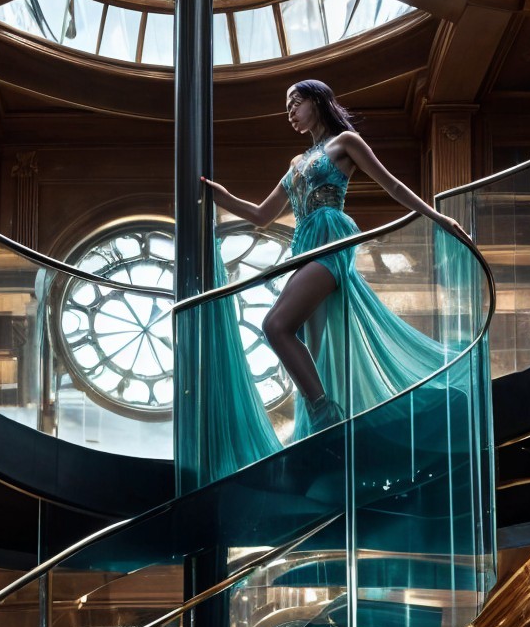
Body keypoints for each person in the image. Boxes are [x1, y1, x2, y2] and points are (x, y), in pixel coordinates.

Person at [202, 79, 477, 443]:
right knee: (308, 345)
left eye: (295, 103)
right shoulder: (297, 162)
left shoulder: (345, 142)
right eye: (287, 108)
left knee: (276, 325)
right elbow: (261, 214)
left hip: (332, 238)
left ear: (317, 101)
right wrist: (219, 196)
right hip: (303, 248)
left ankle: (325, 415)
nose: (290, 113)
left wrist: (439, 218)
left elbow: (392, 185)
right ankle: (326, 423)